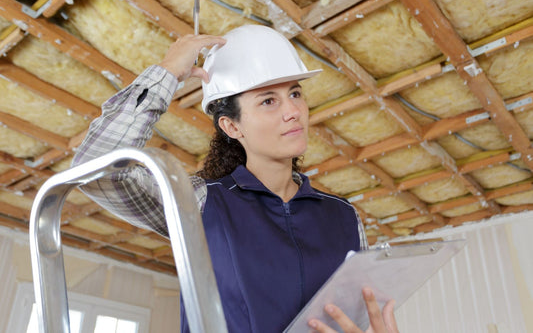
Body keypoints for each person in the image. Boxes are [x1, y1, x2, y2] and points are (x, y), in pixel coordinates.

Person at [72, 25, 398, 333]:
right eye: (269, 100)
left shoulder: (343, 216)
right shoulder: (199, 202)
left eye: (295, 94)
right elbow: (94, 168)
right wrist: (167, 73)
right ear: (231, 127)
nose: (293, 111)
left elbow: (357, 316)